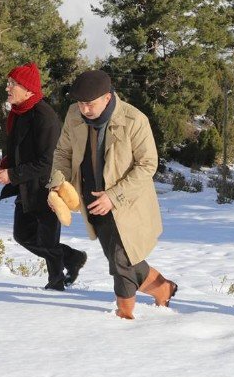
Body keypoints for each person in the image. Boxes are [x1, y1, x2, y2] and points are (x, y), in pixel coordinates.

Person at [49, 69, 177, 319]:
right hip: (91, 201)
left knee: (120, 261)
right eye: (80, 103)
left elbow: (148, 164)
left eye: (90, 104)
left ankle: (124, 316)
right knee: (125, 258)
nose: (84, 109)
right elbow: (63, 153)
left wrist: (114, 196)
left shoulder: (134, 120)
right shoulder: (74, 115)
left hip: (126, 204)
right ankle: (163, 288)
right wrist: (57, 185)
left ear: (107, 98)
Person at [0, 62, 87, 291]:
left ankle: (56, 283)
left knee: (47, 241)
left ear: (27, 89)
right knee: (22, 235)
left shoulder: (44, 116)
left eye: (12, 84)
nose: (7, 88)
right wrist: (4, 166)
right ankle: (72, 258)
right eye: (8, 83)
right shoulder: (18, 113)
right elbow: (19, 148)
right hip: (26, 186)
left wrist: (12, 174)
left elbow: (48, 161)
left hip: (47, 188)